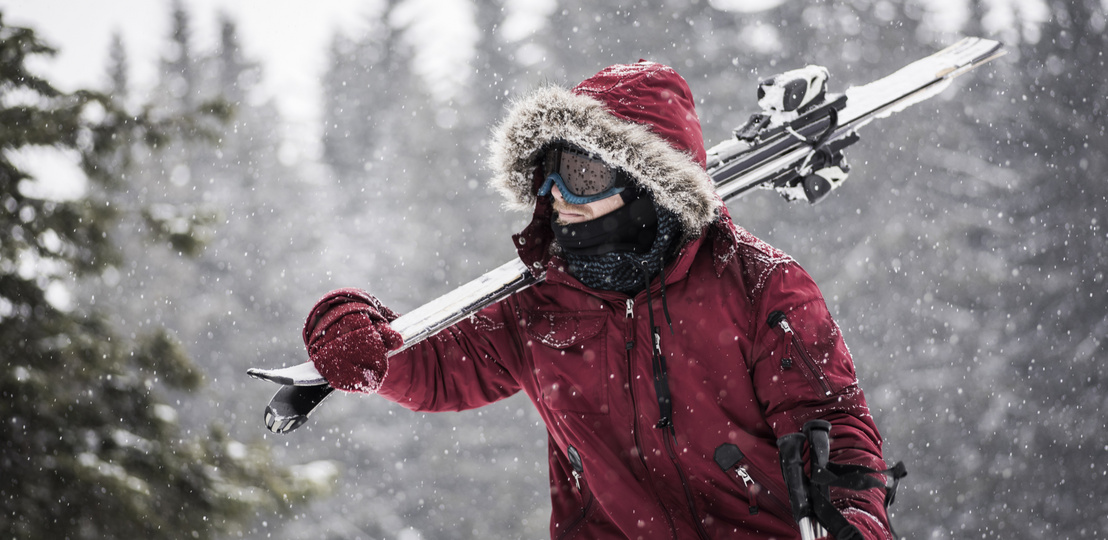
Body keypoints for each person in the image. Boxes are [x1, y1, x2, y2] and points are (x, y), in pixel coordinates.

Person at [303, 61, 895, 539]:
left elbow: (834, 424)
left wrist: (854, 516)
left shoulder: (757, 283)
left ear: (647, 182)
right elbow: (438, 372)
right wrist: (358, 333)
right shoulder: (537, 302)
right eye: (550, 175)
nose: (561, 196)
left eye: (584, 176)